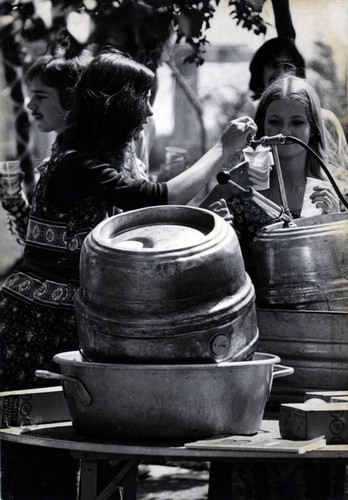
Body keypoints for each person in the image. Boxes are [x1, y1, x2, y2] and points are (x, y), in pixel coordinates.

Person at [0, 47, 256, 498]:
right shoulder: (75, 162)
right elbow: (154, 199)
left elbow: (151, 226)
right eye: (144, 99)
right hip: (34, 329)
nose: (150, 111)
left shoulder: (100, 160)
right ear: (116, 106)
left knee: (93, 459)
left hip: (73, 325)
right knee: (39, 460)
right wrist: (221, 148)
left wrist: (218, 192)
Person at [248, 37, 348, 175]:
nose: (281, 72)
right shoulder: (245, 118)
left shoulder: (326, 119)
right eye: (273, 65)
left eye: (288, 66)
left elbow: (342, 172)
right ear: (260, 71)